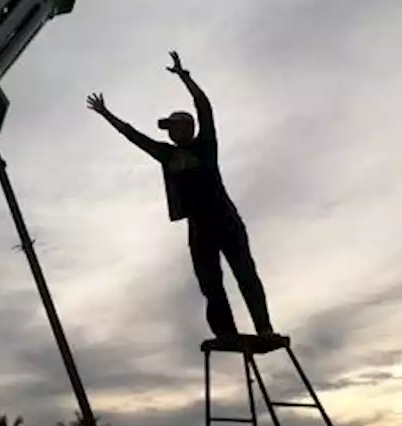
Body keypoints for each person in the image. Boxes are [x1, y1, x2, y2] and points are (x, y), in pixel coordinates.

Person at [87, 51, 275, 341]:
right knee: (210, 283)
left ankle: (264, 327)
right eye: (169, 129)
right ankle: (226, 332)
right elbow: (135, 136)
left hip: (224, 217)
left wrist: (185, 77)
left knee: (245, 272)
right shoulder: (167, 154)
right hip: (199, 226)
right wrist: (106, 113)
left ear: (188, 128)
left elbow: (204, 107)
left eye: (176, 127)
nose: (172, 132)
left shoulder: (205, 145)